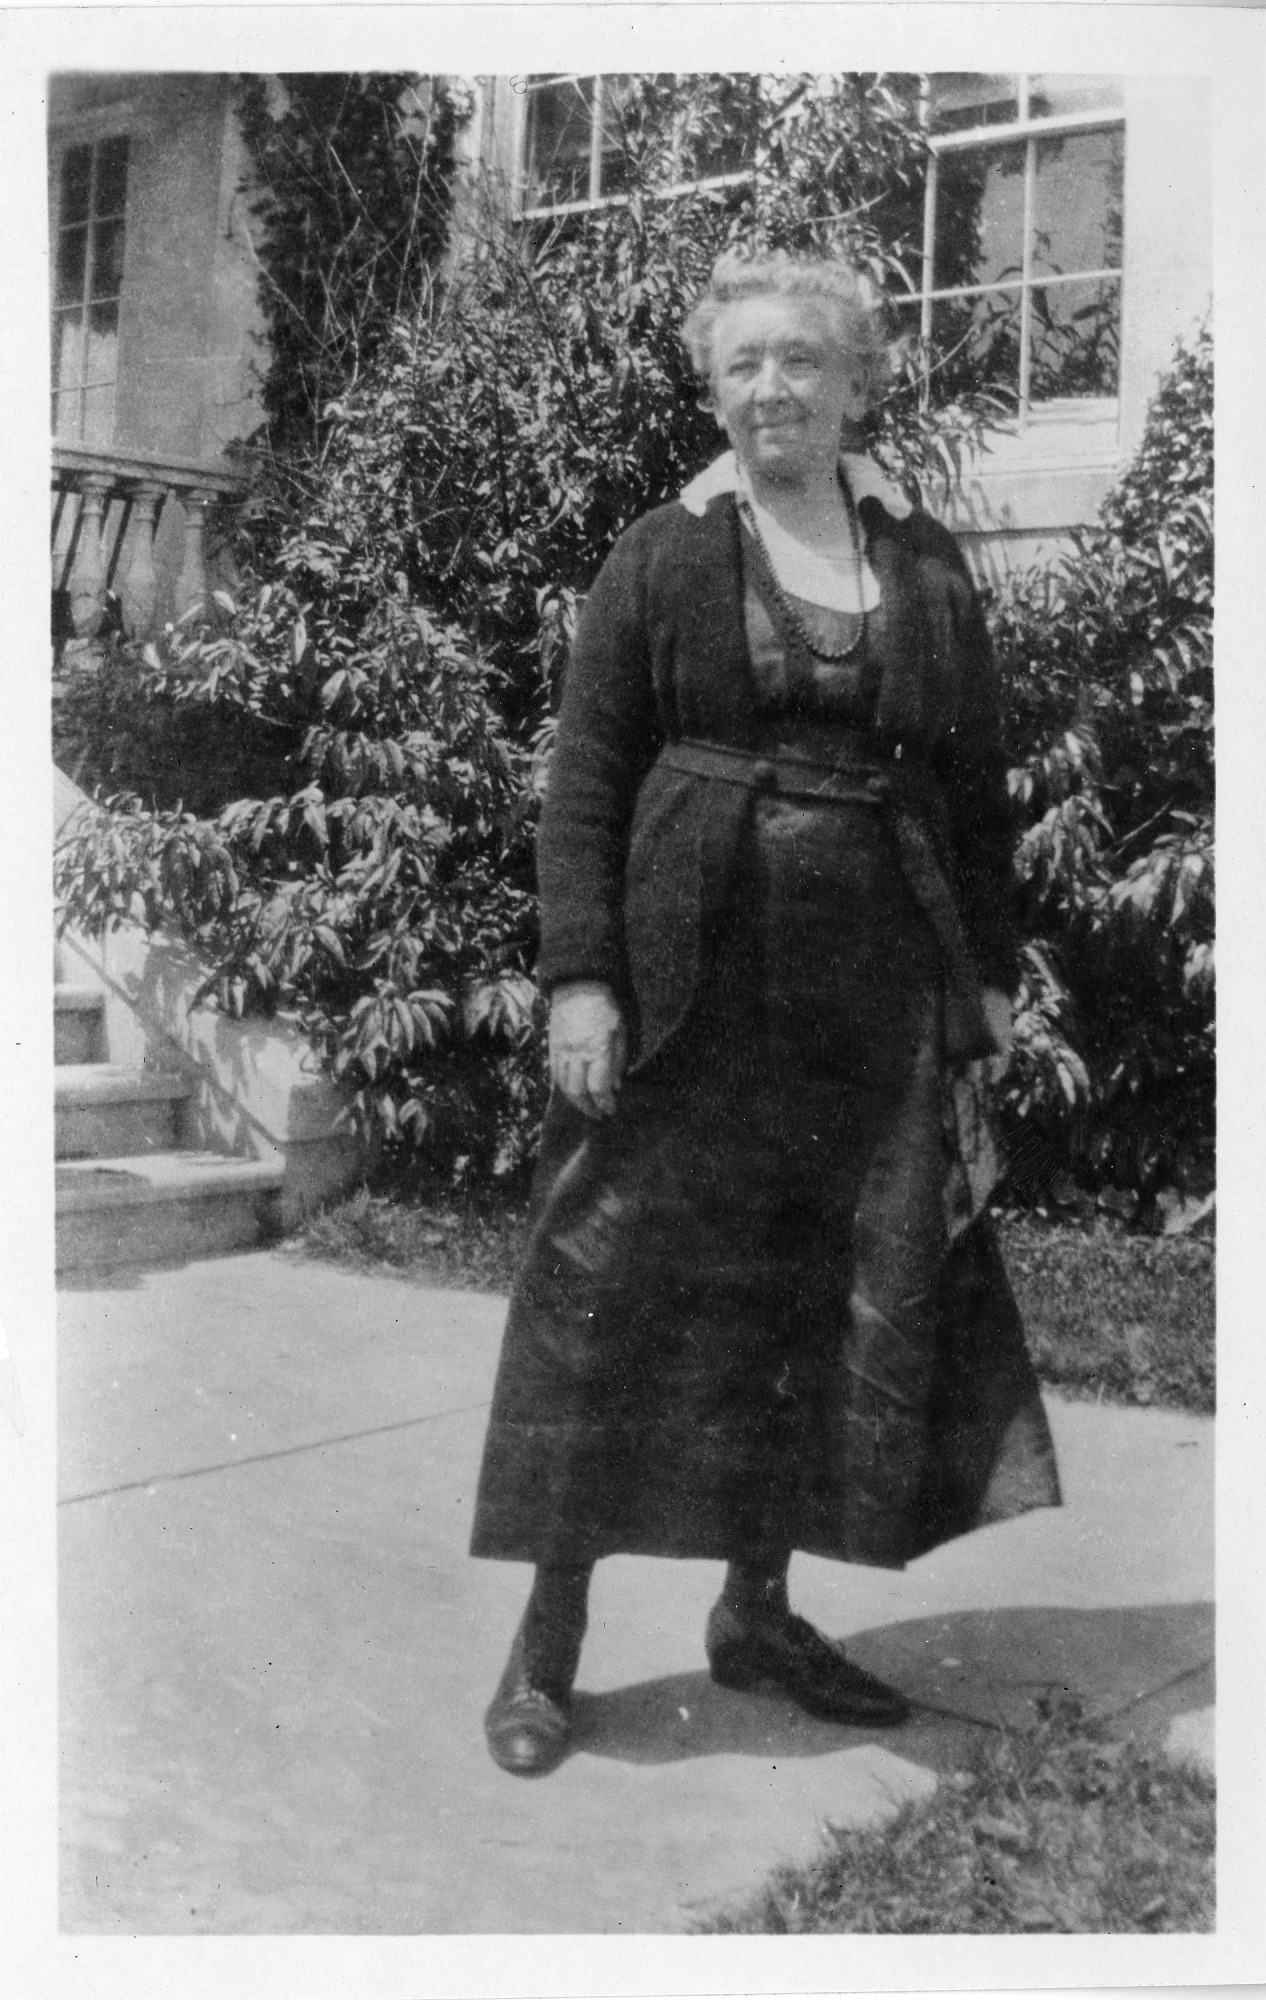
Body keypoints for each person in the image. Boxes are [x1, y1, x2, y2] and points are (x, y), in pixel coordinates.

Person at [470, 250, 1060, 1777]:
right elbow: (585, 780)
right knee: (607, 1283)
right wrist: (581, 980)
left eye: (802, 360)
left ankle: (757, 1611)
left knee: (820, 1289)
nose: (771, 389)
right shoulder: (663, 552)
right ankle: (547, 1641)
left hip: (869, 989)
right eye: (743, 364)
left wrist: (988, 973)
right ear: (712, 386)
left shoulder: (917, 556)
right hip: (690, 986)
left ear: (858, 381)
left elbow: (973, 786)